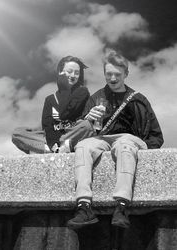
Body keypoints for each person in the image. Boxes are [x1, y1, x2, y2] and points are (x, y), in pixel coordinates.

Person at [67, 50, 164, 229]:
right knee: (82, 147)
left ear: (126, 74)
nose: (112, 78)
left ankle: (121, 206)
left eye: (117, 74)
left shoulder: (138, 100)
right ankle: (83, 207)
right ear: (104, 73)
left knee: (125, 145)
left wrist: (141, 147)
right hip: (101, 138)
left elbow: (156, 136)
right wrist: (88, 119)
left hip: (128, 138)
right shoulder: (95, 98)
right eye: (108, 74)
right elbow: (81, 132)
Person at [12, 56, 90, 154]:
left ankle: (53, 147)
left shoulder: (82, 92)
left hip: (73, 132)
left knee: (87, 126)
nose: (73, 75)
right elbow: (47, 126)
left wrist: (65, 88)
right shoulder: (50, 99)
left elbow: (66, 113)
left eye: (77, 73)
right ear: (60, 72)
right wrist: (52, 143)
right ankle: (53, 148)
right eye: (69, 71)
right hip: (54, 137)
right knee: (17, 133)